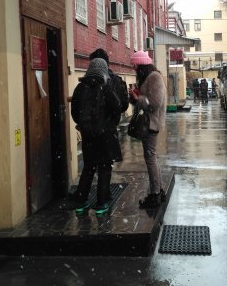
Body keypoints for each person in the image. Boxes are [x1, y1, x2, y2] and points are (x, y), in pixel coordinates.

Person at [70, 58, 122, 216]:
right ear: (104, 69)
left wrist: (84, 126)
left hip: (87, 137)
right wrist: (109, 124)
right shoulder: (106, 87)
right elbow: (117, 107)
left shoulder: (80, 87)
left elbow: (75, 112)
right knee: (104, 168)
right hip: (105, 136)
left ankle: (81, 202)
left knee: (88, 168)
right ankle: (101, 203)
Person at [129, 50, 167, 209]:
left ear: (141, 65)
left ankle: (155, 195)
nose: (134, 68)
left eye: (135, 65)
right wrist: (135, 98)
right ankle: (159, 191)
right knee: (152, 158)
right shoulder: (148, 77)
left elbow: (155, 103)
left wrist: (139, 98)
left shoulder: (154, 77)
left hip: (151, 123)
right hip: (149, 122)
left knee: (150, 158)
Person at [89, 48, 129, 115]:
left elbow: (76, 112)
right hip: (113, 120)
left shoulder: (86, 82)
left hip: (88, 121)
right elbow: (124, 105)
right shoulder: (118, 80)